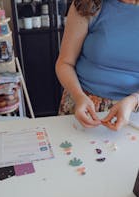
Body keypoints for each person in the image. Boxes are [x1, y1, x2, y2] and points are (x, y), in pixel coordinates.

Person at [56, 0, 139, 131]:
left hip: (134, 111)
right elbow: (65, 63)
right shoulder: (87, 4)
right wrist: (78, 96)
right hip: (83, 106)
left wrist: (134, 100)